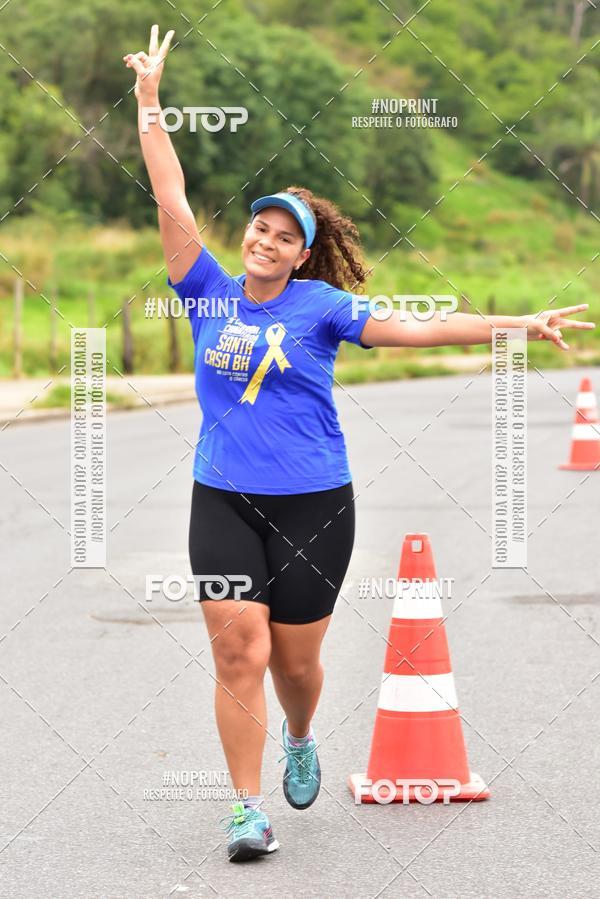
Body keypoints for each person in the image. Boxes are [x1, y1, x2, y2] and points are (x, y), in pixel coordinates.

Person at [124, 25, 595, 863]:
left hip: (314, 501)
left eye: (283, 236)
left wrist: (515, 323)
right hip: (222, 495)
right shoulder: (203, 289)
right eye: (259, 229)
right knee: (241, 646)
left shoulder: (322, 310)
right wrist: (151, 104)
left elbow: (422, 325)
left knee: (296, 665)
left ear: (304, 253)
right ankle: (245, 808)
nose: (265, 242)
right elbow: (170, 193)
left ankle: (301, 735)